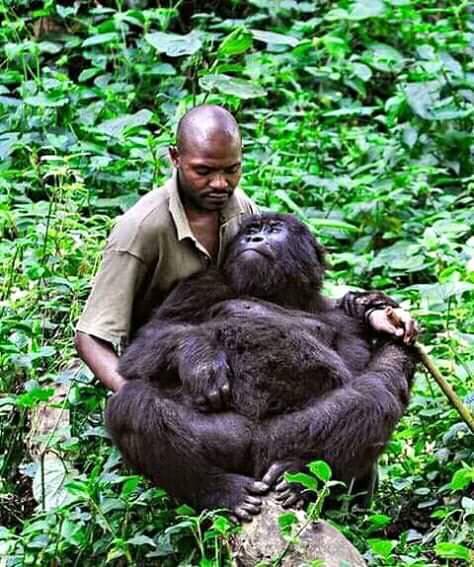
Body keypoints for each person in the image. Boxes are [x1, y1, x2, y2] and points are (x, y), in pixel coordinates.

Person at [75, 105, 416, 392]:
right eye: (203, 171)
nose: (220, 183)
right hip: (162, 355)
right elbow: (91, 338)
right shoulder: (141, 229)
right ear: (175, 158)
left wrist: (371, 313)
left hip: (236, 352)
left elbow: (292, 290)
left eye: (231, 170)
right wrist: (137, 399)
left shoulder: (239, 209)